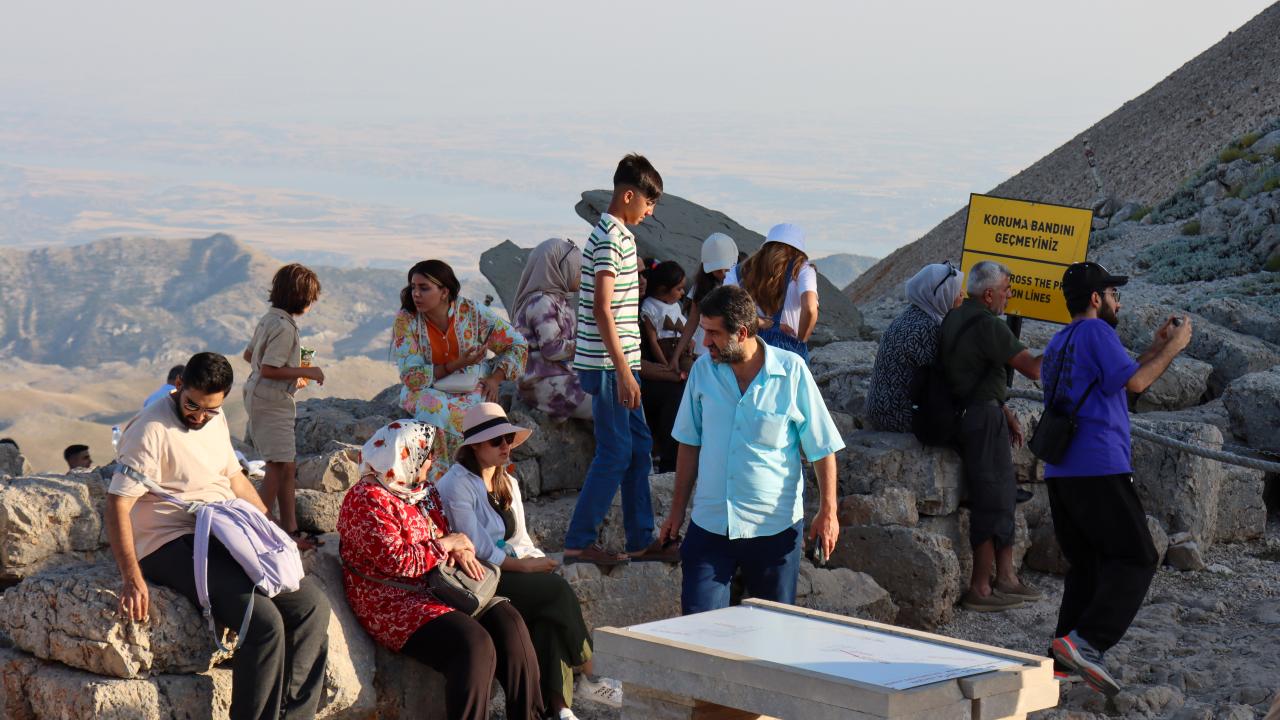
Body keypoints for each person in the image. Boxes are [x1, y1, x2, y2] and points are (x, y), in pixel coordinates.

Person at [106, 352, 331, 720]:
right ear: (179, 386)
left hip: (224, 528)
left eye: (210, 409)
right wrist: (131, 578)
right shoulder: (150, 430)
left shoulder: (215, 417)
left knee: (311, 607)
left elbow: (234, 478)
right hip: (169, 540)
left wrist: (274, 531)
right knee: (262, 623)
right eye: (192, 405)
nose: (199, 416)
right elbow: (118, 504)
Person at [1043, 262, 1191, 697]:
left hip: (1062, 470)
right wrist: (1175, 347)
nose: (1118, 303)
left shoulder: (1060, 340)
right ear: (1096, 299)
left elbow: (1119, 380)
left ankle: (1063, 661)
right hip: (1099, 466)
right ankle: (1088, 642)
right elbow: (1139, 383)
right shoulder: (1097, 332)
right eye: (1113, 294)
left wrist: (1155, 346)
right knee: (1138, 557)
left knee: (1087, 565)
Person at [337, 420, 542, 720]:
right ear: (404, 454)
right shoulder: (366, 499)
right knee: (474, 644)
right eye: (426, 453)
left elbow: (446, 534)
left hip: (440, 587)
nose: (432, 460)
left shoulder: (423, 490)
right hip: (393, 602)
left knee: (509, 623)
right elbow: (399, 561)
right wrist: (447, 544)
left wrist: (459, 547)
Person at [658, 285, 845, 614]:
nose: (704, 343)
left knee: (773, 633)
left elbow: (822, 447)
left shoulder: (791, 371)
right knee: (696, 629)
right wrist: (676, 511)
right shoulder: (702, 372)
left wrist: (828, 511)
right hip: (711, 525)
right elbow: (689, 443)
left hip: (774, 529)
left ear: (741, 333)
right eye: (704, 331)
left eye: (713, 334)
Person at [438, 404, 621, 720]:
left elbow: (520, 540)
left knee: (549, 619)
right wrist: (525, 568)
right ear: (475, 446)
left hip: (507, 569)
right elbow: (478, 547)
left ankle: (560, 709)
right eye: (497, 441)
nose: (506, 446)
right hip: (479, 576)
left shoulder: (506, 481)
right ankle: (591, 672)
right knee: (556, 592)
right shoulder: (456, 484)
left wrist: (536, 561)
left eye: (508, 439)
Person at [564, 154, 676, 566]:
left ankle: (641, 539)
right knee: (615, 451)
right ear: (629, 195)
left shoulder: (619, 237)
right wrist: (626, 372)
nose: (651, 211)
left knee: (640, 446)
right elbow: (602, 309)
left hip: (619, 366)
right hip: (611, 368)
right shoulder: (611, 238)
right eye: (649, 202)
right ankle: (579, 542)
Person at [941, 260, 1043, 612]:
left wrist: (1003, 409)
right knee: (992, 497)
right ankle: (981, 587)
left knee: (998, 492)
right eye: (1005, 290)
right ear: (988, 294)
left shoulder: (955, 317)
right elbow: (1033, 369)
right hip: (983, 420)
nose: (1008, 297)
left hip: (971, 414)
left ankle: (1006, 579)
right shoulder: (989, 325)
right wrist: (1068, 343)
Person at [392, 259, 527, 480]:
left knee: (479, 416)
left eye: (424, 288)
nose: (416, 294)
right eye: (413, 287)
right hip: (426, 388)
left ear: (444, 292)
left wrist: (495, 379)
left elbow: (517, 344)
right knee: (433, 409)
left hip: (471, 384)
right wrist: (456, 365)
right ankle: (439, 481)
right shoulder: (407, 320)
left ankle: (485, 481)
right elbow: (411, 376)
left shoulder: (472, 313)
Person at [242, 263, 327, 550]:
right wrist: (307, 371)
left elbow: (250, 356)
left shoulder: (270, 319)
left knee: (287, 464)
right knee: (277, 467)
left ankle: (290, 528)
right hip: (272, 401)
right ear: (302, 298)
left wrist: (291, 374)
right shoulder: (285, 328)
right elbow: (269, 368)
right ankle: (257, 528)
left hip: (261, 395)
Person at [866, 262, 965, 432]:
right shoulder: (927, 328)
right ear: (940, 295)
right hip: (895, 415)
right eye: (955, 290)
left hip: (879, 408)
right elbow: (944, 379)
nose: (962, 294)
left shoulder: (912, 314)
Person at [512, 238, 591, 421]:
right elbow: (553, 349)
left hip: (561, 374)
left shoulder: (560, 301)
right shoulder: (542, 302)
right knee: (608, 402)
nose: (582, 274)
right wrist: (591, 346)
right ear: (561, 268)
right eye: (579, 269)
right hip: (542, 382)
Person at [725, 223, 819, 361]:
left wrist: (760, 322)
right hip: (787, 348)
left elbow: (724, 308)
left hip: (749, 344)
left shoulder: (740, 270)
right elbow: (810, 309)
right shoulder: (803, 270)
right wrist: (801, 341)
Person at [639, 260, 690, 473]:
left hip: (668, 363)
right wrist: (668, 370)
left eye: (644, 275)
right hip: (644, 374)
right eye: (638, 275)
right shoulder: (647, 308)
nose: (643, 280)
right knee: (676, 392)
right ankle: (669, 461)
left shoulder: (671, 306)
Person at [673, 233, 739, 363]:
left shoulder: (741, 284)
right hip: (705, 353)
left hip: (732, 352)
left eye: (726, 269)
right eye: (718, 270)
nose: (723, 274)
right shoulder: (702, 286)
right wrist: (676, 356)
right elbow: (692, 320)